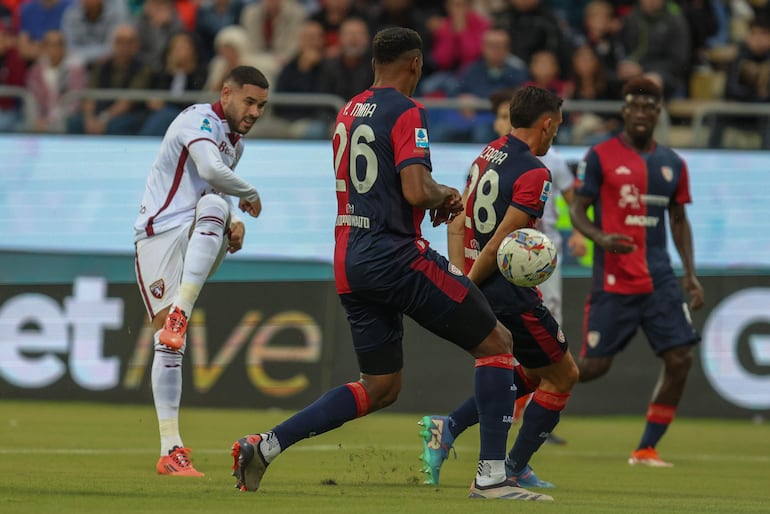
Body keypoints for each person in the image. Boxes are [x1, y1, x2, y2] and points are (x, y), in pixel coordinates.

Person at [230, 27, 551, 502]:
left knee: (380, 387)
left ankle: (266, 445)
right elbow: (415, 190)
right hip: (395, 256)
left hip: (349, 259)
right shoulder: (407, 111)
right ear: (416, 64)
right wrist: (446, 195)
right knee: (497, 342)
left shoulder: (347, 110)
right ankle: (491, 477)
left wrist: (425, 197)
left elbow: (379, 182)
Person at [418, 85, 579, 491]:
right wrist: (465, 290)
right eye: (555, 129)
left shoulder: (486, 154)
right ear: (545, 124)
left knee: (530, 372)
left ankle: (448, 427)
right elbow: (499, 243)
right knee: (563, 375)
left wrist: (460, 276)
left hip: (483, 282)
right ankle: (512, 467)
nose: (554, 136)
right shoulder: (535, 173)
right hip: (507, 291)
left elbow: (458, 223)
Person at [133, 65, 268, 476]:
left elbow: (210, 192)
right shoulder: (197, 119)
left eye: (262, 105)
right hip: (158, 236)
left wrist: (233, 223)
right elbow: (209, 172)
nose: (256, 112)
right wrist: (249, 193)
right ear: (225, 93)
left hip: (193, 236)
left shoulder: (235, 144)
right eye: (249, 101)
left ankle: (181, 313)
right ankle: (170, 449)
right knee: (166, 344)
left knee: (217, 208)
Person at [568, 76, 704, 467]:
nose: (642, 113)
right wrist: (599, 237)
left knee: (680, 359)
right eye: (635, 105)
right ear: (624, 110)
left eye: (650, 106)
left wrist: (690, 274)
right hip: (615, 279)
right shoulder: (600, 156)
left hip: (659, 280)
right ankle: (526, 390)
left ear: (658, 112)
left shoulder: (672, 163)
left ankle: (646, 448)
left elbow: (678, 219)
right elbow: (579, 208)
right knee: (593, 367)